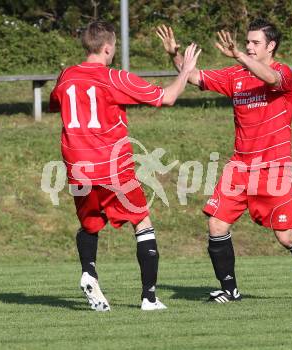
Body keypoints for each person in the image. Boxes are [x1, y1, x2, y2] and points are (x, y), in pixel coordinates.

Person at [156, 19, 292, 302]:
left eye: (255, 43)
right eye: (247, 42)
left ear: (271, 46)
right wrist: (174, 53)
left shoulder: (282, 73)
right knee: (216, 224)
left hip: (274, 168)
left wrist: (240, 57)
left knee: (285, 237)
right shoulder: (236, 75)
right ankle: (230, 290)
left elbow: (270, 79)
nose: (248, 46)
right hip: (240, 167)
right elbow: (195, 76)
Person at [50, 21, 201, 311]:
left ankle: (89, 272)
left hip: (77, 167)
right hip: (112, 168)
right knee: (142, 223)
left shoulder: (67, 75)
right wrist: (184, 70)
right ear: (108, 47)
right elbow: (166, 97)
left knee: (90, 225)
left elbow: (58, 102)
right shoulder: (114, 77)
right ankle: (149, 298)